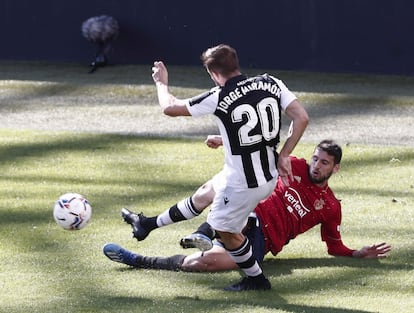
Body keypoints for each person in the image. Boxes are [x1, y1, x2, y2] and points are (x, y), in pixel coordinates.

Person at [110, 44, 309, 291]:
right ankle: (146, 224)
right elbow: (301, 118)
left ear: (213, 73)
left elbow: (169, 107)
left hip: (243, 184)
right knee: (206, 192)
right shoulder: (271, 83)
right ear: (236, 63)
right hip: (265, 174)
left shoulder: (219, 96)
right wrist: (285, 153)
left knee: (226, 232)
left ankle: (256, 280)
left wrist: (162, 83)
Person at [104, 140, 391, 285]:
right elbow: (258, 149)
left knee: (204, 265)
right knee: (221, 186)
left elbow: (334, 246)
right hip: (248, 211)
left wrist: (356, 253)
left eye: (325, 163)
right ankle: (187, 230)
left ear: (335, 169)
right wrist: (222, 138)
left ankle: (143, 259)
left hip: (262, 240)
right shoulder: (296, 165)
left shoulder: (330, 206)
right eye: (316, 158)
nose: (317, 165)